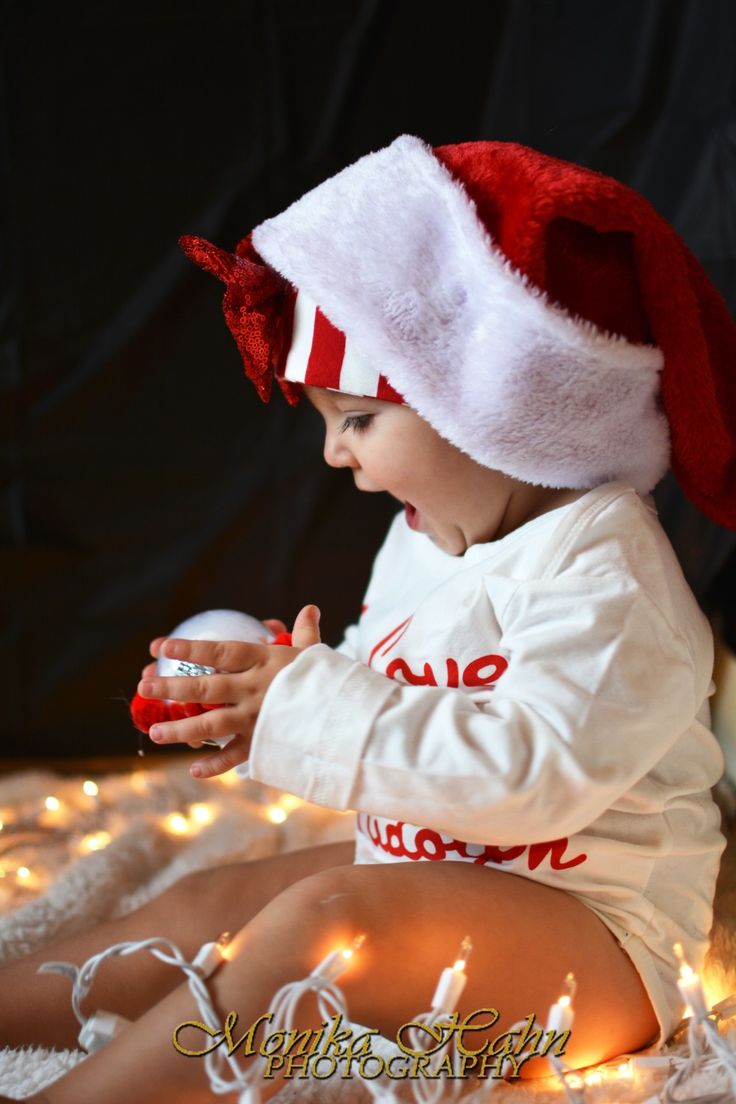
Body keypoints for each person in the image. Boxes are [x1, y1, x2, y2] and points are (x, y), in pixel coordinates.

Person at [1, 135, 734, 1104]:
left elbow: (526, 777)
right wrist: (263, 698)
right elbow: (389, 689)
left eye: (356, 419)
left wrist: (314, 704)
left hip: (593, 938)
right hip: (429, 876)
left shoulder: (607, 573)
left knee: (322, 921)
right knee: (212, 904)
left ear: (495, 409)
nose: (334, 457)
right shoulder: (424, 537)